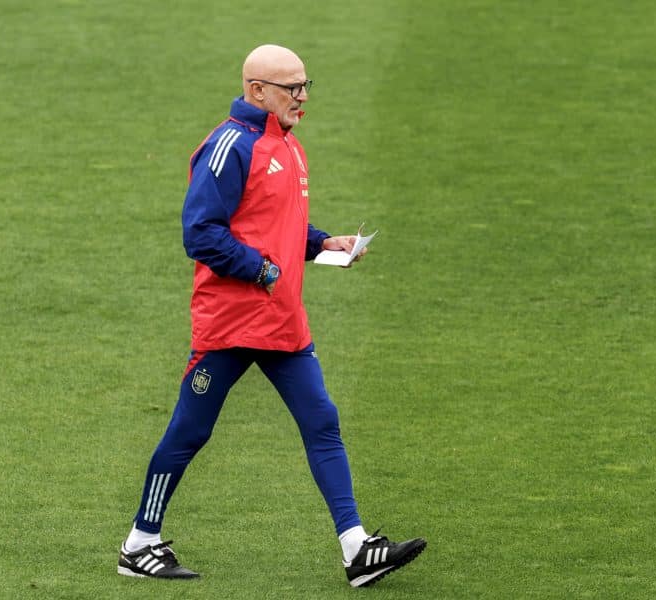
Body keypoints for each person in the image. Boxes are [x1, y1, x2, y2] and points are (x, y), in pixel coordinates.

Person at [117, 44, 425, 588]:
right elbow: (200, 233)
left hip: (282, 322)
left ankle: (357, 549)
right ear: (257, 90)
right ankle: (140, 543)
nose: (302, 97)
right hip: (232, 324)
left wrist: (323, 242)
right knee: (190, 431)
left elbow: (274, 224)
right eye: (292, 88)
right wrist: (260, 270)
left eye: (306, 86)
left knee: (322, 422)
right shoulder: (229, 146)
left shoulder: (288, 145)